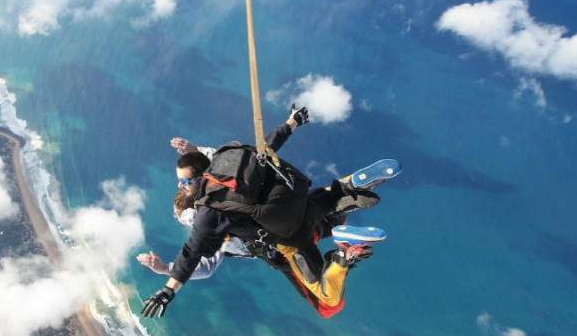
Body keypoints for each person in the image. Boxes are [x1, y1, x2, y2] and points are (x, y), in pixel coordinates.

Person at [141, 106, 395, 319]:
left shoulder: (211, 219)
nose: (181, 186)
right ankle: (351, 184)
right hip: (302, 204)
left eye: (185, 183)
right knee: (333, 210)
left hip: (288, 242)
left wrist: (167, 284)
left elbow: (194, 258)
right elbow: (267, 146)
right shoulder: (227, 159)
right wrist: (293, 121)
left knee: (329, 305)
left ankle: (344, 255)